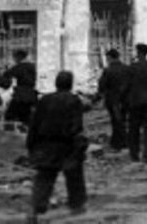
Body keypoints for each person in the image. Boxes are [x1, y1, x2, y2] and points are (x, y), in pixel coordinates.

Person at [26, 70, 87, 218]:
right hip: (66, 144)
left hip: (45, 143)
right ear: (71, 84)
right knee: (74, 175)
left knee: (45, 176)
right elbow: (77, 126)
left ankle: (37, 206)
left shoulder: (45, 100)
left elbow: (34, 123)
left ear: (56, 83)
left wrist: (31, 144)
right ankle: (76, 205)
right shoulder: (74, 100)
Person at [97, 48, 129, 150]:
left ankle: (119, 143)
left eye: (107, 58)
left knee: (115, 121)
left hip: (113, 99)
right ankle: (119, 141)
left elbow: (101, 86)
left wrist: (101, 95)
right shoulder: (127, 68)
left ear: (110, 58)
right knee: (122, 119)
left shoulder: (108, 70)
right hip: (125, 99)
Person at [0, 49, 37, 126]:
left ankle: (10, 132)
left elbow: (6, 75)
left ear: (19, 57)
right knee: (25, 117)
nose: (14, 59)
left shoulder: (19, 66)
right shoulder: (32, 66)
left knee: (9, 116)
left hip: (21, 96)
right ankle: (25, 133)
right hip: (31, 95)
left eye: (14, 57)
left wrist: (7, 68)